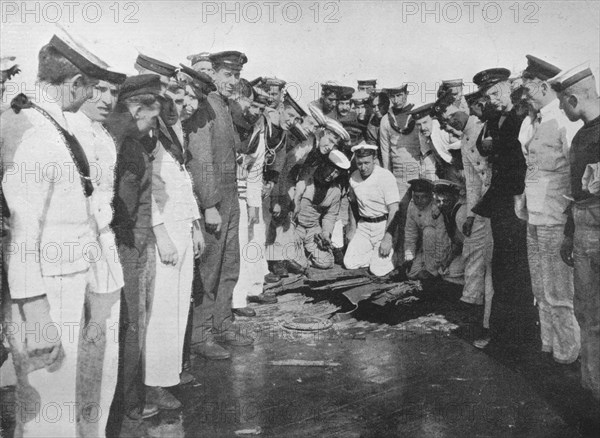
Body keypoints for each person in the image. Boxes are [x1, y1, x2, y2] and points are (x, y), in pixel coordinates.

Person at [1, 30, 124, 437]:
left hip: (66, 281)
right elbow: (21, 234)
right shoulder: (33, 131)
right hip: (44, 290)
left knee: (62, 400)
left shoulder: (52, 126)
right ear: (74, 85)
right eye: (90, 88)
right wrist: (35, 314)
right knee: (46, 409)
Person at [65, 71, 128, 436]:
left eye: (113, 92)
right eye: (99, 90)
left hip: (103, 244)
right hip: (78, 245)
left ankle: (95, 428)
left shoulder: (103, 133)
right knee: (80, 345)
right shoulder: (69, 129)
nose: (107, 99)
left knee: (104, 343)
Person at [106, 75, 165, 434]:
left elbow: (141, 205)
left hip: (133, 245)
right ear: (133, 110)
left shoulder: (133, 146)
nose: (149, 127)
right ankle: (127, 405)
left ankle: (128, 399)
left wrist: (140, 241)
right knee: (128, 325)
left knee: (133, 323)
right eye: (147, 119)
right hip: (121, 246)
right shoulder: (120, 146)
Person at [188, 50, 254, 360]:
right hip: (213, 199)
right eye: (227, 75)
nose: (233, 81)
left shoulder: (225, 106)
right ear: (212, 74)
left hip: (230, 196)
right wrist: (210, 204)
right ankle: (201, 334)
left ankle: (223, 323)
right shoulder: (204, 106)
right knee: (209, 269)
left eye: (237, 75)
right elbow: (201, 159)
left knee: (230, 264)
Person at [520, 55, 582, 364]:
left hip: (557, 216)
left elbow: (574, 171)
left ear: (544, 85)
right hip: (534, 214)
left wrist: (571, 219)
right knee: (540, 286)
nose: (523, 94)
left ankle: (568, 352)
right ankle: (549, 345)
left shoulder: (562, 121)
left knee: (560, 291)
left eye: (527, 87)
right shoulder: (534, 120)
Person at [472, 67, 534, 345]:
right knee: (501, 266)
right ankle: (503, 332)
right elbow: (481, 144)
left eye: (496, 92)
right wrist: (488, 145)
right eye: (488, 95)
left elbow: (521, 156)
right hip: (501, 201)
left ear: (509, 86)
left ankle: (516, 334)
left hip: (518, 200)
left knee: (516, 267)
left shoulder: (524, 115)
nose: (493, 100)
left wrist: (494, 144)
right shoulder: (494, 117)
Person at [550, 63, 600, 399]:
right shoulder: (583, 135)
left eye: (560, 102)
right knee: (589, 312)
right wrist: (569, 232)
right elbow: (577, 192)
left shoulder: (588, 135)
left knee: (591, 313)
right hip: (584, 224)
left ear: (571, 99)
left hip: (593, 226)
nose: (559, 109)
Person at [231, 85, 271, 316]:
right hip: (230, 191)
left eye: (261, 108)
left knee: (256, 233)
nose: (256, 111)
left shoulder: (259, 126)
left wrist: (255, 203)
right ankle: (237, 299)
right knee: (238, 242)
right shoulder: (229, 119)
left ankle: (255, 288)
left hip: (248, 189)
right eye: (254, 105)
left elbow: (256, 168)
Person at [344, 142, 400, 277]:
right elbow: (353, 203)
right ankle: (377, 256)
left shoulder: (385, 177)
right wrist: (352, 228)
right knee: (349, 263)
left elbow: (394, 209)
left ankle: (395, 255)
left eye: (367, 163)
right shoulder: (354, 177)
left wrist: (388, 238)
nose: (363, 167)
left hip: (383, 226)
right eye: (359, 163)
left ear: (374, 159)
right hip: (364, 226)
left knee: (377, 271)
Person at [291, 150, 351, 270]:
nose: (332, 174)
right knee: (298, 264)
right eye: (331, 169)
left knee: (327, 262)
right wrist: (291, 229)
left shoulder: (335, 191)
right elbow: (290, 206)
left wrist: (325, 234)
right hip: (296, 226)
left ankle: (305, 253)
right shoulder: (306, 178)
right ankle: (299, 255)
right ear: (324, 164)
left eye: (337, 172)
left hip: (313, 229)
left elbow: (330, 216)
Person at [403, 179, 449, 280]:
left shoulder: (436, 208)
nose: (419, 201)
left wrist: (438, 262)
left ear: (431, 196)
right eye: (416, 197)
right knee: (412, 274)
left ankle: (432, 271)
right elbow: (410, 233)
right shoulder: (412, 206)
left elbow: (443, 239)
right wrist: (409, 255)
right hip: (425, 247)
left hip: (441, 248)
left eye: (423, 197)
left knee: (429, 231)